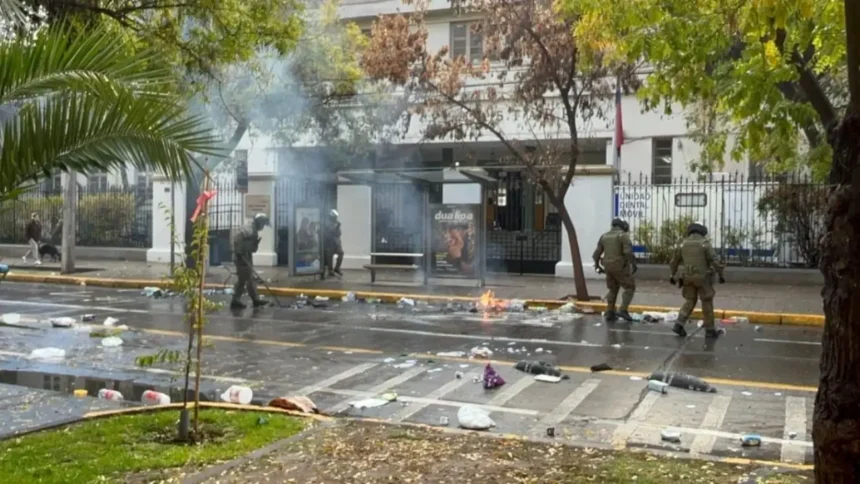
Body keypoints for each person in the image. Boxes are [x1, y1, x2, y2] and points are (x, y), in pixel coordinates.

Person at [669, 221, 726, 338]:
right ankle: (710, 330)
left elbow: (673, 262)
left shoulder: (682, 244)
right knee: (706, 301)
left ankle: (679, 324)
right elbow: (715, 262)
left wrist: (672, 275)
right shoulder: (705, 244)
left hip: (687, 278)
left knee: (690, 300)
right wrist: (721, 275)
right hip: (702, 279)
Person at [592, 217, 637, 321]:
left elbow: (596, 254)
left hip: (607, 267)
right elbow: (627, 252)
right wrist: (634, 264)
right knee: (630, 287)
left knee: (613, 288)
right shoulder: (623, 235)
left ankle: (610, 312)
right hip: (620, 266)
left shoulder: (604, 236)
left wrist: (597, 266)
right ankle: (623, 310)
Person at [230, 213, 270, 309]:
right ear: (259, 222)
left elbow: (250, 247)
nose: (263, 227)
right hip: (241, 257)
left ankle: (253, 299)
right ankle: (237, 300)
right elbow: (237, 238)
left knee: (248, 278)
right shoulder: (249, 229)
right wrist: (238, 251)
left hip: (246, 255)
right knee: (244, 279)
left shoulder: (252, 228)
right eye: (263, 224)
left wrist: (255, 244)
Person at [324, 209, 344, 277]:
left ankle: (337, 268)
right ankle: (330, 270)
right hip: (329, 242)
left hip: (336, 242)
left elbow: (339, 233)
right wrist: (337, 227)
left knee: (341, 253)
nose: (335, 218)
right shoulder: (327, 223)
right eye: (334, 216)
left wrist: (337, 228)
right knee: (329, 257)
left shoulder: (336, 223)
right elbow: (330, 231)